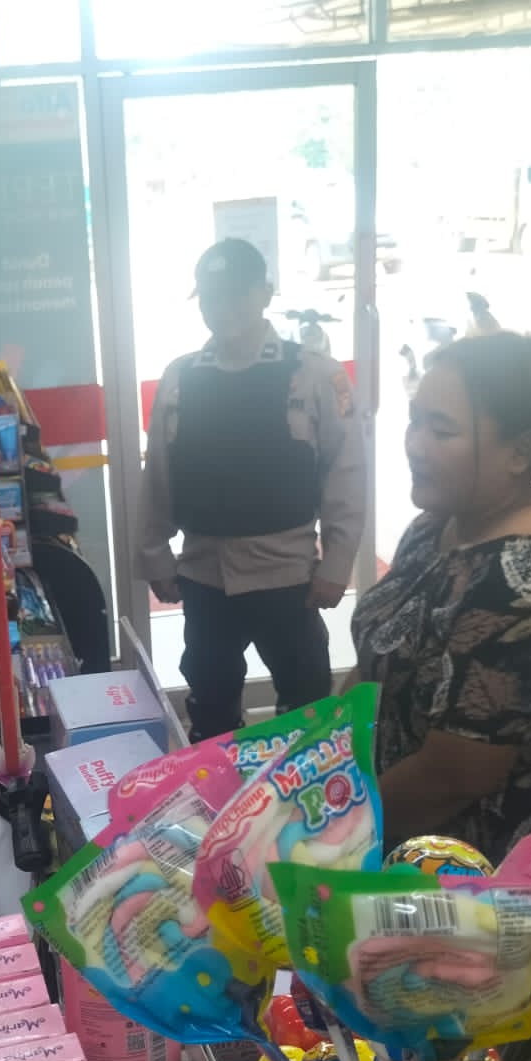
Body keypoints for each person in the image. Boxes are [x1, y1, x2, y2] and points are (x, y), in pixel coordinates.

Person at [350, 332, 531, 864]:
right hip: (383, 823)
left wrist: (330, 829)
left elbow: (452, 778)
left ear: (520, 452)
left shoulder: (529, 578)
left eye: (441, 430)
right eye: (415, 421)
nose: (415, 445)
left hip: (474, 863)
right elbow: (378, 665)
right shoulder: (437, 525)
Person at [139, 238, 365, 741]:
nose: (223, 308)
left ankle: (303, 790)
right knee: (211, 711)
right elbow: (160, 473)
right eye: (211, 297)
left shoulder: (314, 374)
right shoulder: (180, 377)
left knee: (306, 714)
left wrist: (337, 564)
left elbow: (345, 473)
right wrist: (155, 556)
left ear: (265, 292)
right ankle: (222, 790)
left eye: (237, 294)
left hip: (288, 577)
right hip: (204, 576)